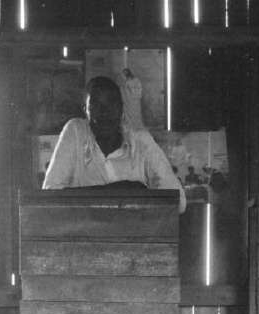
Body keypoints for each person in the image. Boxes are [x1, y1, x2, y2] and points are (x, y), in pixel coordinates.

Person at [42, 76, 186, 213]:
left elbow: (179, 202)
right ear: (85, 110)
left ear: (121, 108)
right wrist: (122, 191)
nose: (105, 112)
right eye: (96, 105)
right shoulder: (75, 132)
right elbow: (49, 196)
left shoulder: (141, 141)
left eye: (112, 103)